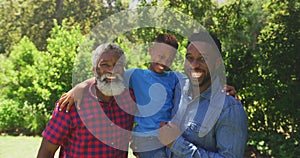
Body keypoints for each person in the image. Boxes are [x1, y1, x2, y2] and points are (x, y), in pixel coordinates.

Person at [57, 34, 238, 158]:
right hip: (146, 142)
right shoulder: (136, 75)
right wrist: (79, 87)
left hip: (166, 141)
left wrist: (222, 87)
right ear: (151, 50)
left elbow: (199, 78)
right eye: (160, 55)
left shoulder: (175, 78)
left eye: (169, 58)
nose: (164, 60)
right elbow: (109, 75)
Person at [37, 43, 136, 157]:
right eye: (104, 65)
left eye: (117, 65)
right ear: (94, 70)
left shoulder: (130, 99)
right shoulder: (71, 104)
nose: (112, 70)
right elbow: (47, 151)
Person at [157, 32, 248, 157]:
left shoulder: (229, 109)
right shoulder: (176, 87)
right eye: (190, 58)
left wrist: (176, 144)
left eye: (202, 59)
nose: (194, 65)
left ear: (217, 63)